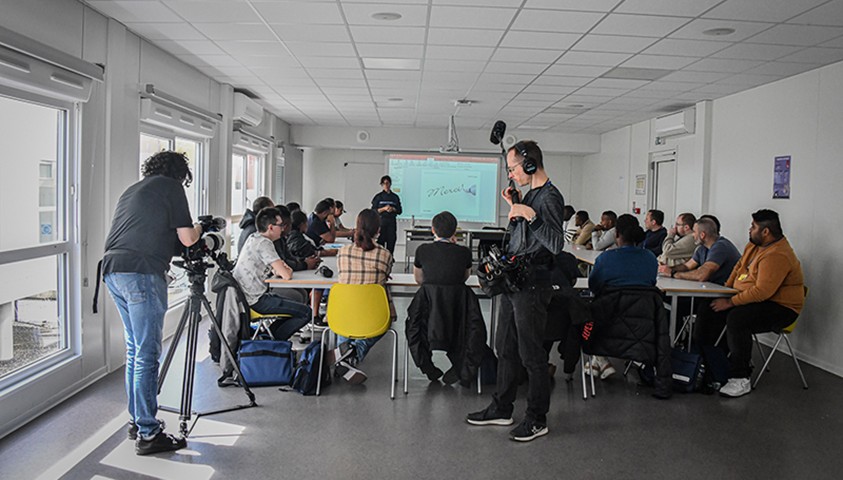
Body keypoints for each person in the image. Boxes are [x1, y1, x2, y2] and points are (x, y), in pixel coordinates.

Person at [102, 151, 201, 455]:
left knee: (135, 349)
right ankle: (148, 433)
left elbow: (148, 234)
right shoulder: (172, 188)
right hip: (141, 272)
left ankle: (137, 420)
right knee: (147, 353)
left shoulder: (135, 189)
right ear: (179, 173)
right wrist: (202, 229)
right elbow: (187, 240)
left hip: (112, 270)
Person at [466, 140, 565, 442]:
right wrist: (516, 206)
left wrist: (530, 215)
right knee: (505, 347)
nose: (511, 175)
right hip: (516, 282)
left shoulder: (549, 198)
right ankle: (502, 407)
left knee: (531, 354)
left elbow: (556, 244)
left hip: (533, 285)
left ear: (530, 165)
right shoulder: (532, 194)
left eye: (513, 169)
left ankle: (537, 419)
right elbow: (525, 237)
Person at [694, 209, 804, 398]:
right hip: (750, 299)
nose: (749, 229)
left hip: (780, 307)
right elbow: (738, 269)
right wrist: (724, 292)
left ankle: (740, 377)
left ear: (766, 232)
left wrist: (729, 302)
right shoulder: (754, 246)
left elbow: (762, 292)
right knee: (708, 307)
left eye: (753, 227)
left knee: (738, 318)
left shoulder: (778, 254)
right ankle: (705, 361)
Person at [586, 214, 658, 379]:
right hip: (642, 326)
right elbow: (650, 284)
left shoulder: (606, 258)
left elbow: (594, 287)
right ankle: (599, 362)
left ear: (616, 234)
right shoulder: (650, 259)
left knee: (584, 318)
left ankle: (600, 360)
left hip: (607, 322)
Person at [333, 208, 397, 384]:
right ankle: (351, 353)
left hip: (342, 316)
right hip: (373, 317)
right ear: (378, 230)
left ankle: (342, 354)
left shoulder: (343, 252)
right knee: (385, 322)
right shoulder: (384, 254)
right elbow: (386, 272)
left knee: (347, 321)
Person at [411, 211, 475, 384]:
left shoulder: (422, 250)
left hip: (429, 310)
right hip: (456, 310)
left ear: (433, 230)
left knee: (414, 327)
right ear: (455, 232)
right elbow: (464, 277)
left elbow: (419, 279)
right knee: (468, 331)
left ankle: (428, 367)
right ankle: (459, 366)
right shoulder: (464, 253)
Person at [233, 207, 312, 340]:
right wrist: (285, 269)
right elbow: (286, 274)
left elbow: (278, 270)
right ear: (270, 227)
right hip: (256, 300)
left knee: (298, 306)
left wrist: (282, 268)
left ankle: (267, 339)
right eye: (280, 225)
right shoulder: (264, 244)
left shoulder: (254, 237)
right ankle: (273, 343)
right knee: (305, 312)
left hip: (249, 297)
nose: (282, 228)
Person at [658, 217, 740, 285]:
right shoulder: (702, 248)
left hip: (725, 293)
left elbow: (702, 275)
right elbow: (687, 266)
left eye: (694, 232)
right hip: (710, 289)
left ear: (702, 235)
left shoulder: (720, 246)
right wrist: (667, 269)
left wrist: (673, 274)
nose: (692, 235)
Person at [371, 175, 402, 253]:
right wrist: (384, 209)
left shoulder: (395, 197)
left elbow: (400, 210)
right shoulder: (378, 197)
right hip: (381, 223)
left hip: (391, 223)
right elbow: (373, 211)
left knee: (391, 244)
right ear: (382, 185)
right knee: (380, 245)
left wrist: (393, 209)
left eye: (387, 183)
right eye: (384, 183)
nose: (386, 185)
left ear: (390, 184)